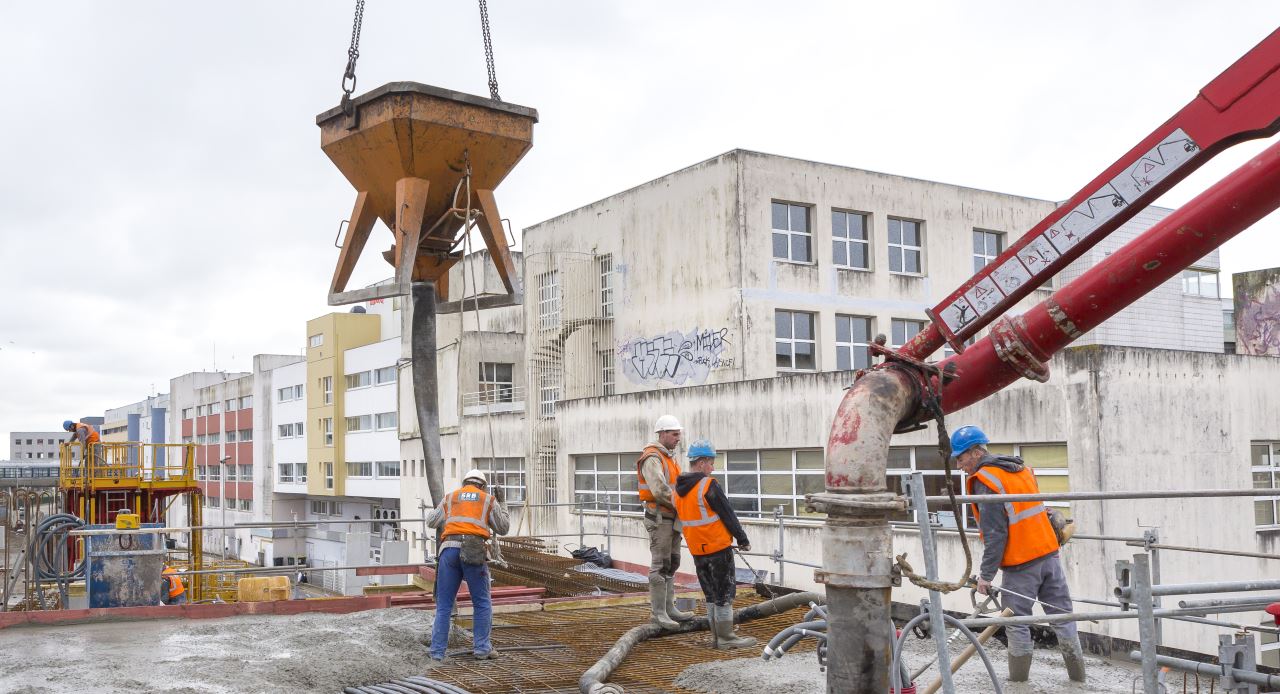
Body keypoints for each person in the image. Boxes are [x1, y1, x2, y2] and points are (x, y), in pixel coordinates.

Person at [952, 424, 1086, 683]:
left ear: (975, 453)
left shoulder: (986, 480)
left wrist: (986, 576)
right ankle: (1079, 679)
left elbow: (995, 534)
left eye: (960, 457)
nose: (959, 465)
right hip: (1049, 555)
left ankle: (1018, 684)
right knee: (1063, 617)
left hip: (1021, 564)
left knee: (1015, 622)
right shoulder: (1021, 469)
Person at [674, 439, 755, 649]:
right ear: (701, 463)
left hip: (697, 552)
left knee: (710, 594)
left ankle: (716, 638)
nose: (712, 467)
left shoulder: (679, 490)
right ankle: (727, 638)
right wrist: (742, 539)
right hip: (718, 549)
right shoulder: (708, 485)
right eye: (710, 462)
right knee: (725, 593)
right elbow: (727, 514)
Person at [426, 469, 510, 661]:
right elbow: (503, 528)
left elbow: (431, 521)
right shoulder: (487, 499)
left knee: (444, 606)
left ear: (464, 483)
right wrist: (502, 503)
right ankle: (482, 649)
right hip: (473, 550)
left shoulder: (451, 497)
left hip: (449, 550)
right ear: (483, 485)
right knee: (481, 603)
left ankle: (437, 652)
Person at [636, 414, 694, 629]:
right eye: (674, 434)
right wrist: (684, 507)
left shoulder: (668, 457)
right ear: (662, 434)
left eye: (679, 433)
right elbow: (660, 490)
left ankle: (669, 609)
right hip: (660, 517)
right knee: (660, 565)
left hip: (672, 517)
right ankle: (658, 613)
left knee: (672, 561)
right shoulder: (652, 457)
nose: (678, 438)